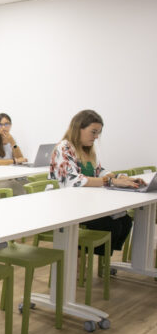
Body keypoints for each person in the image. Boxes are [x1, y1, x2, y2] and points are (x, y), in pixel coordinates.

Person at [49, 109, 142, 255]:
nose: (96, 137)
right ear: (79, 128)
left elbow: (99, 171)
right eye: (93, 132)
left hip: (87, 203)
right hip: (70, 206)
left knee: (125, 221)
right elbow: (74, 181)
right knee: (112, 225)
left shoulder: (87, 150)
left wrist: (120, 178)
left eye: (98, 133)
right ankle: (80, 255)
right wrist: (112, 181)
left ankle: (98, 259)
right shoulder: (64, 147)